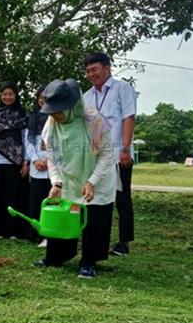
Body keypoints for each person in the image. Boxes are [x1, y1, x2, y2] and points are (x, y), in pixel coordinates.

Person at [36, 78, 117, 279]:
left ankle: (89, 261)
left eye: (59, 111)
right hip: (69, 178)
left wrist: (92, 181)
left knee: (94, 219)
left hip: (97, 178)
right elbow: (52, 157)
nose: (56, 116)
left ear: (72, 106)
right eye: (52, 112)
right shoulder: (52, 123)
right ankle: (56, 257)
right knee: (65, 215)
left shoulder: (94, 121)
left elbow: (107, 155)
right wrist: (57, 182)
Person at [82, 51, 137, 256]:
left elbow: (128, 118)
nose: (91, 74)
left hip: (117, 153)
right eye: (88, 71)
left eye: (94, 69)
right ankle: (92, 238)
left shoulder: (122, 88)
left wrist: (125, 149)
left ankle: (124, 242)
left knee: (122, 198)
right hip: (95, 156)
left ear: (107, 68)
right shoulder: (86, 96)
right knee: (94, 197)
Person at [0, 81, 29, 238]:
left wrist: (26, 161)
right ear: (0, 96)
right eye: (4, 94)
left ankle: (15, 231)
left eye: (10, 94)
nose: (7, 97)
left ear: (16, 96)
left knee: (15, 197)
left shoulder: (23, 115)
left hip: (17, 162)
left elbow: (25, 139)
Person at [24, 86, 51, 247]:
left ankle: (49, 233)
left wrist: (49, 160)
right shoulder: (33, 118)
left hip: (52, 167)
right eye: (40, 97)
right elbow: (28, 142)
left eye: (46, 97)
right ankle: (35, 234)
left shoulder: (56, 116)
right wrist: (34, 160)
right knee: (36, 201)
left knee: (50, 200)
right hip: (37, 167)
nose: (42, 100)